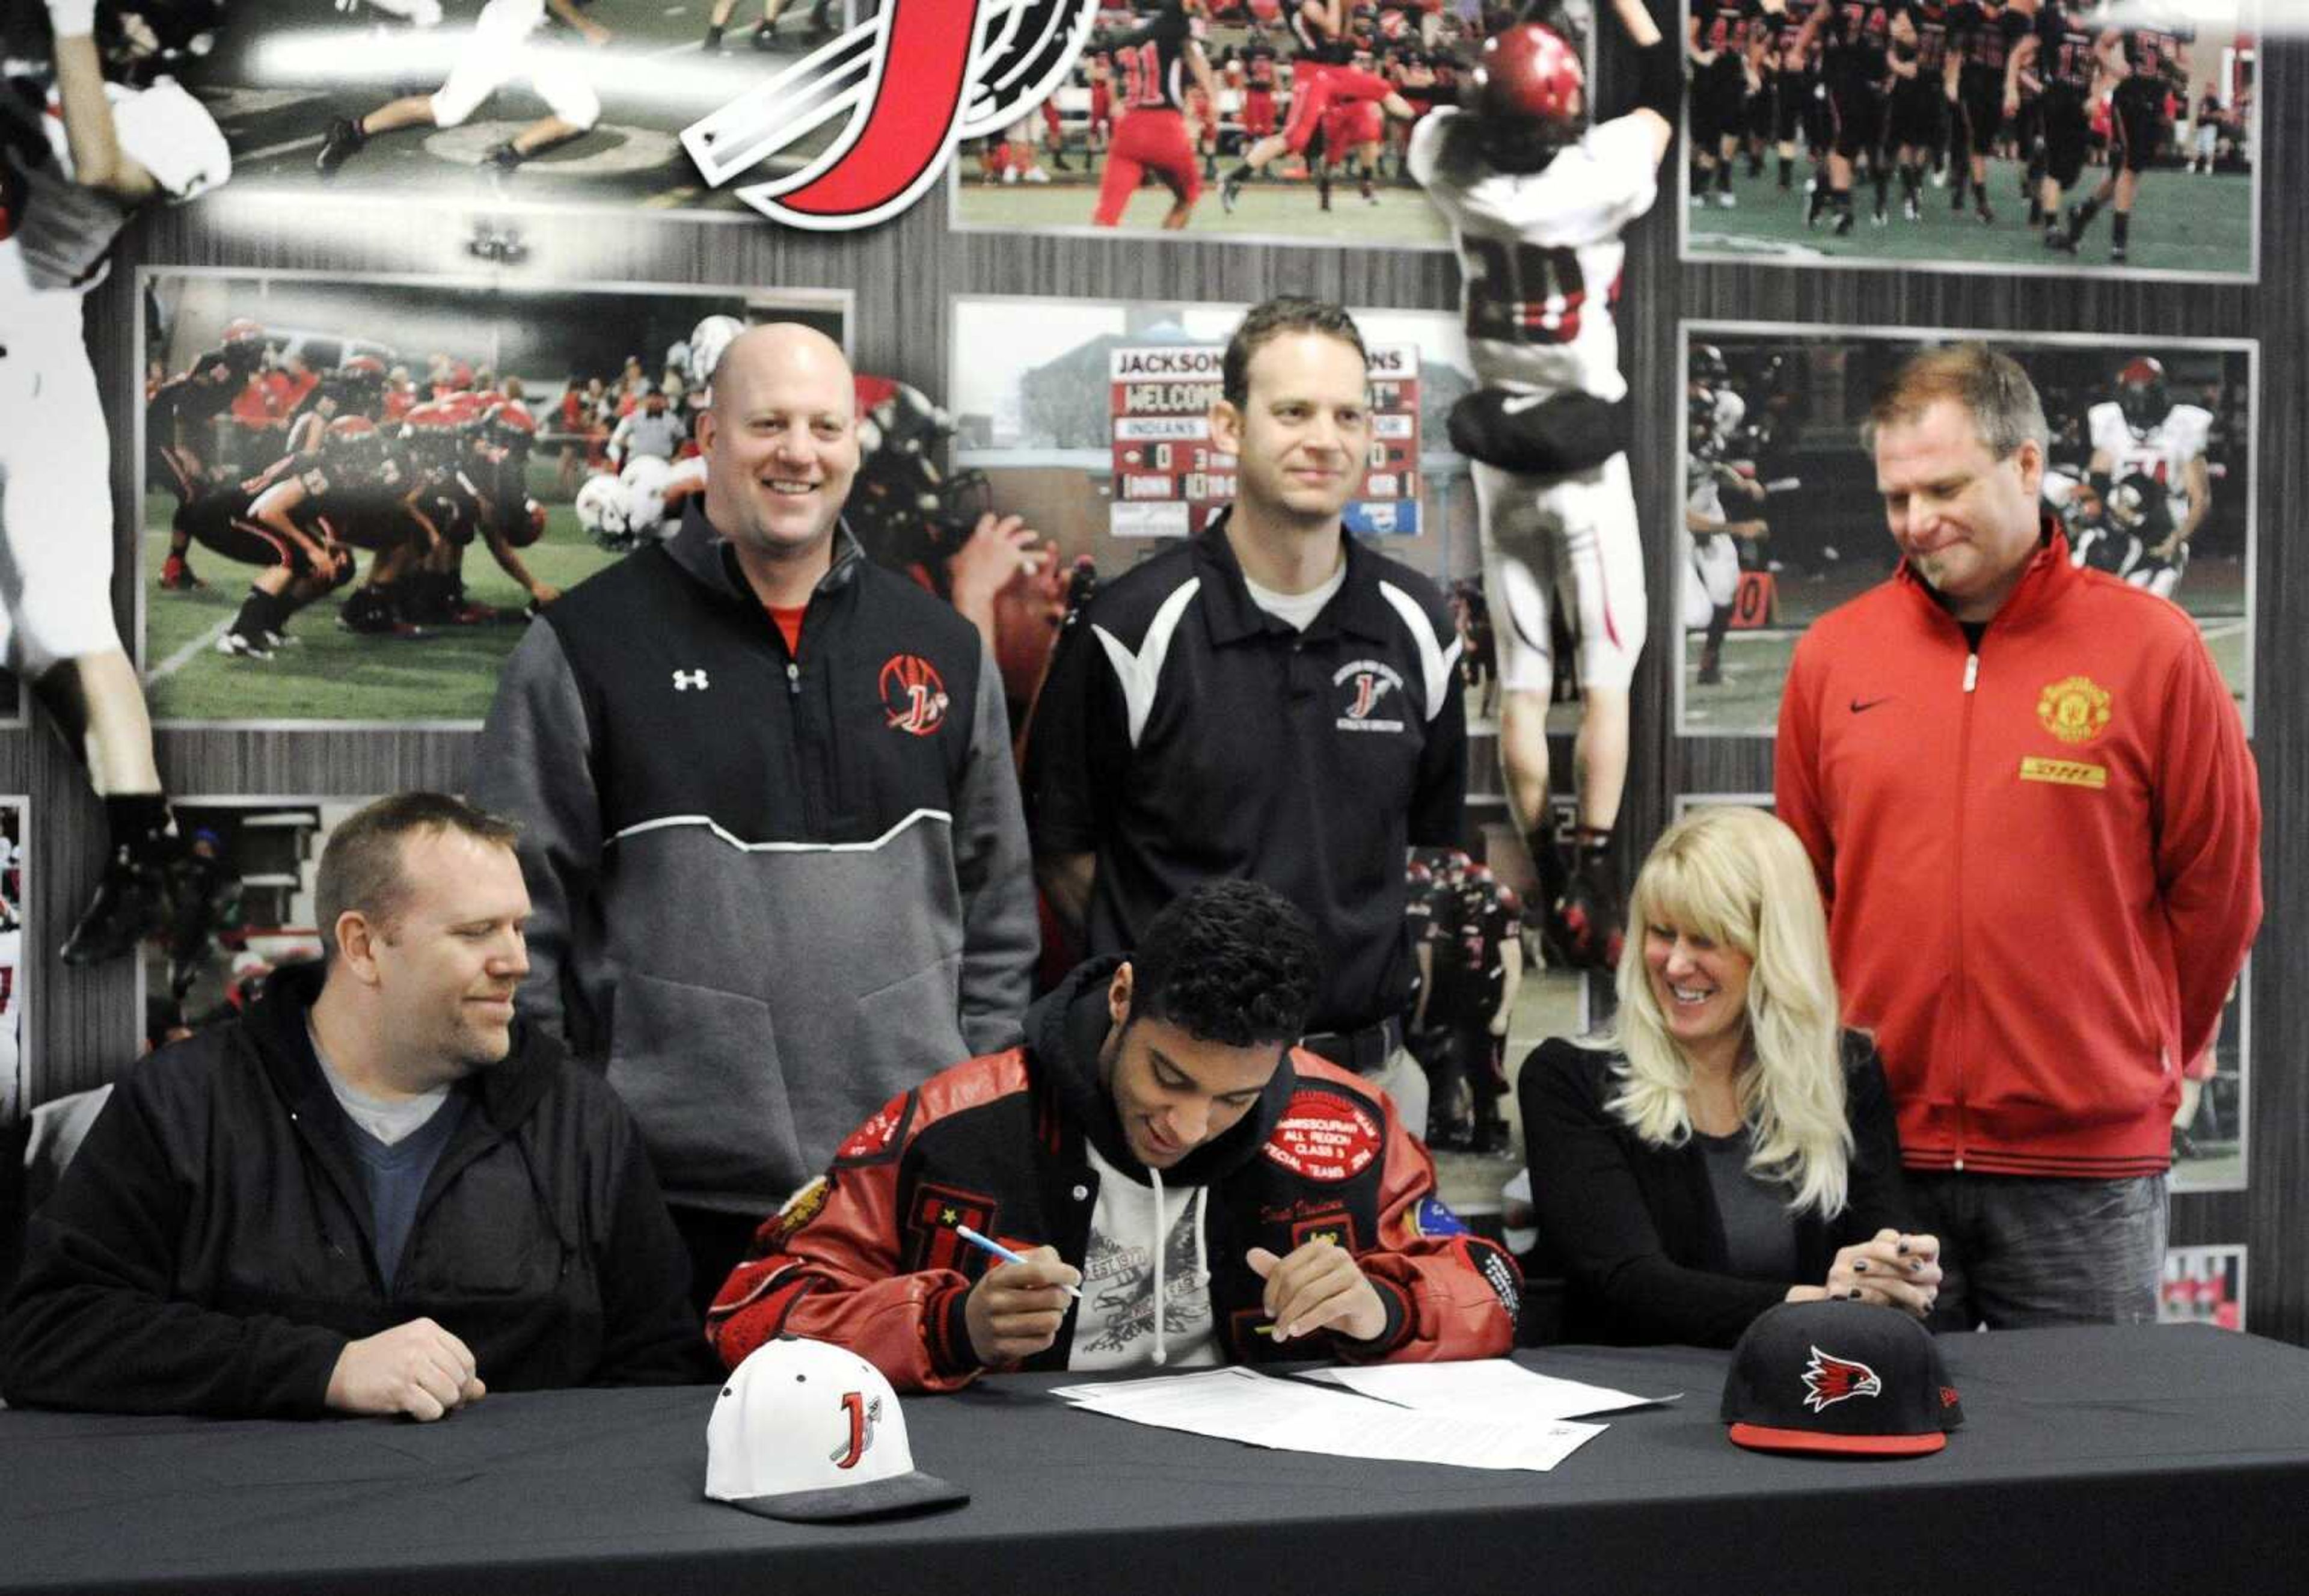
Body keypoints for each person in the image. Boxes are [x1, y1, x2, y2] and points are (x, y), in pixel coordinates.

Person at [471, 324, 1037, 1307]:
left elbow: (1000, 911)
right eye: (768, 422)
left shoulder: (943, 647)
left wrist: (965, 1103)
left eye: (826, 425)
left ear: (855, 443)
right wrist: (572, 1135)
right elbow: (510, 926)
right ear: (709, 435)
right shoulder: (586, 645)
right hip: (662, 1201)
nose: (799, 451)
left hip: (905, 1194)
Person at [1774, 343, 2261, 1328]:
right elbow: (1802, 895)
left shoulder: (2154, 648)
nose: (1917, 522)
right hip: (1881, 1165)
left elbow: (2219, 891)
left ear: (2029, 466)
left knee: (2083, 1467)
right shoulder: (1833, 656)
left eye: (1945, 487)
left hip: (2084, 1168)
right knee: (1881, 1467)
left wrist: (2151, 1050)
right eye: (1897, 496)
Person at [0, 794, 714, 1419]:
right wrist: (324, 1370)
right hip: (241, 1542)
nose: (517, 960)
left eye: (519, 927)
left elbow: (657, 1369)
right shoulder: (185, 1103)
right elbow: (47, 1333)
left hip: (507, 1546)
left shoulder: (581, 1122)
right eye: (476, 932)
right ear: (363, 945)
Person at [707, 881, 1521, 1390]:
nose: (1190, 1124)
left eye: (1236, 1097)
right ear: (1125, 995)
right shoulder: (953, 1124)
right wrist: (949, 1327)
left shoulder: (1346, 1123)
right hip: (1008, 1496)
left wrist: (1382, 1307)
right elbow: (750, 1310)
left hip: (1269, 1496)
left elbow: (1493, 1286)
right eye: (1169, 1077)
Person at [1026, 296, 1464, 1140]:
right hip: (1176, 1095)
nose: (1324, 438)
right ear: (1229, 425)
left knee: (1370, 1280)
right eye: (1293, 411)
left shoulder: (1418, 625)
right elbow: (1068, 858)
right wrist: (1189, 999)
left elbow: (1423, 845)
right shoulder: (1131, 626)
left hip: (1364, 1082)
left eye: (1347, 414)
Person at [1407, 0, 1675, 969]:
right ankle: (1595, 882)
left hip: (1500, 454)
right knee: (1606, 676)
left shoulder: (1446, 160)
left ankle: (1550, 871)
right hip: (1584, 459)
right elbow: (1665, 89)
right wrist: (1633, 16)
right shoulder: (1598, 179)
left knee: (1522, 684)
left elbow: (1452, 114)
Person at [1518, 806, 1938, 1349]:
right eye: (1663, 934)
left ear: (1773, 951)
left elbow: (1880, 1235)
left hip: (1807, 1394)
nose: (1674, 966)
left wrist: (1891, 1273)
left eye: (1707, 941)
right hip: (1634, 1406)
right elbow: (1631, 1285)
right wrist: (1824, 1306)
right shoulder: (1567, 1080)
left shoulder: (1844, 1071)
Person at [4, 0, 234, 965]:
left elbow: (98, 167)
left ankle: (153, 852)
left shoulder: (178, 124)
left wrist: (65, 29)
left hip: (35, 361)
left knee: (69, 624)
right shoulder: (41, 63)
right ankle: (154, 847)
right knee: (38, 635)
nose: (114, 20)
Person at [314, 0, 611, 179]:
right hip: (510, 26)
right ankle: (351, 131)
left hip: (536, 35)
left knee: (582, 111)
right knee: (447, 111)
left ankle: (500, 161)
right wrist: (585, 27)